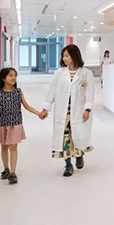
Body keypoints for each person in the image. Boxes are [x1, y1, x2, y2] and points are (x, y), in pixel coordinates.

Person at [40, 44, 94, 177]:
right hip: (63, 112)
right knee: (64, 139)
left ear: (74, 56)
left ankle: (79, 155)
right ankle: (68, 165)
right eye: (63, 56)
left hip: (78, 112)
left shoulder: (86, 73)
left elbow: (90, 93)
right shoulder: (59, 73)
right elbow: (52, 91)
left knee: (77, 136)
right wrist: (46, 108)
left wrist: (87, 109)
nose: (64, 58)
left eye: (66, 56)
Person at [0, 67, 43, 185]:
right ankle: (6, 169)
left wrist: (38, 113)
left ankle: (13, 173)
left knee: (13, 146)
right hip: (3, 123)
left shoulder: (18, 92)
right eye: (10, 75)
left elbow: (27, 106)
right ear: (3, 78)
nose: (13, 78)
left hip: (16, 123)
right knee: (4, 146)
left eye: (15, 75)